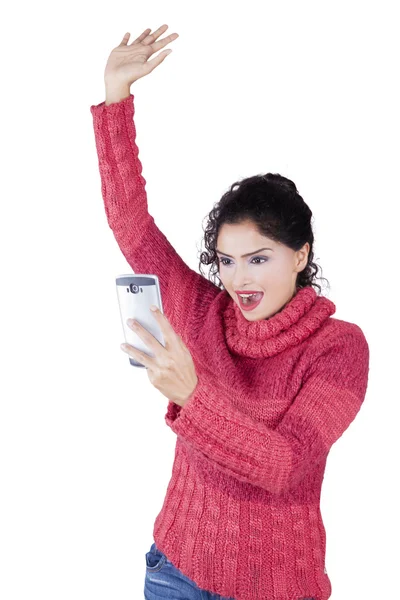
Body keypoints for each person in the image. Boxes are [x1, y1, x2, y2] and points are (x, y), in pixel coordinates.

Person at [90, 24, 370, 600]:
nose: (238, 279)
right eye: (227, 261)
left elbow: (284, 466)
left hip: (278, 587)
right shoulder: (202, 308)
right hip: (175, 571)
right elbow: (131, 225)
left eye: (259, 258)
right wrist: (116, 93)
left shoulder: (339, 348)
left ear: (301, 255)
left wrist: (193, 396)